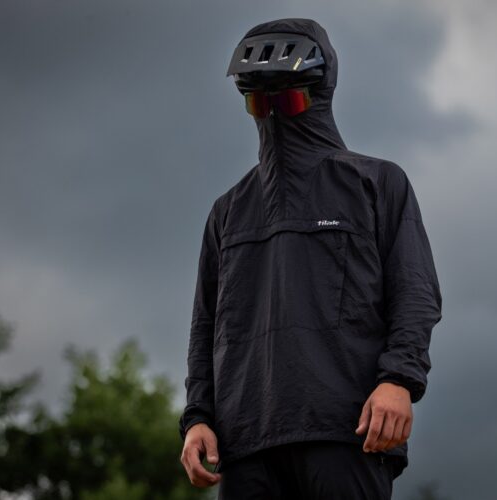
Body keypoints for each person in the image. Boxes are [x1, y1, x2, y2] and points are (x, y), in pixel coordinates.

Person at [178, 18, 443, 500]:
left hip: (346, 429)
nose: (275, 115)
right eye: (260, 103)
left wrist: (399, 381)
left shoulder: (377, 183)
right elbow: (205, 328)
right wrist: (198, 417)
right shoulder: (227, 211)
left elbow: (415, 293)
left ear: (319, 95)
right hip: (245, 443)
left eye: (289, 100)